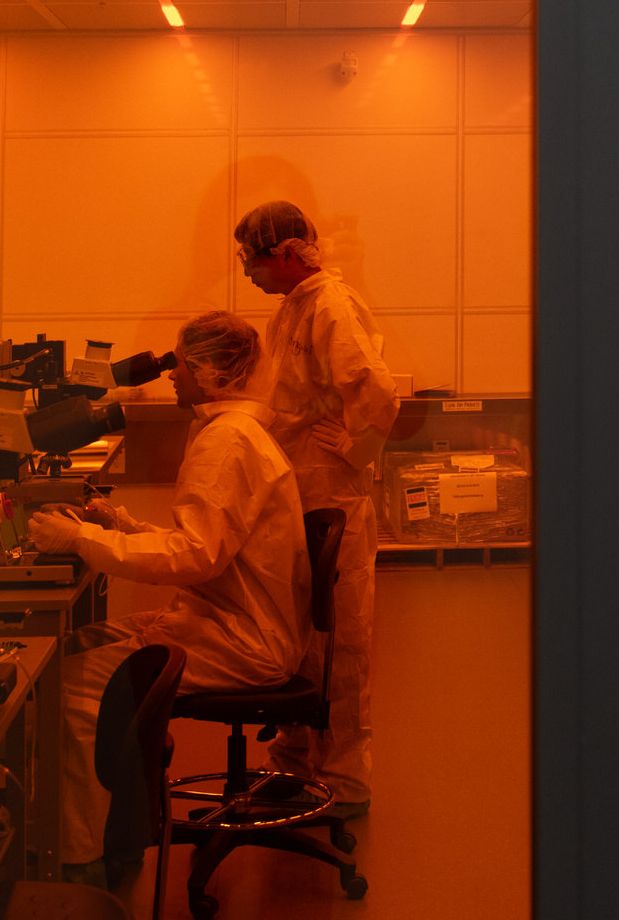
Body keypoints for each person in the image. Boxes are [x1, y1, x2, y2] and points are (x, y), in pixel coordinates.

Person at [27, 311, 310, 887]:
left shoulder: (227, 442)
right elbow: (209, 544)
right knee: (73, 647)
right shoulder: (232, 431)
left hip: (241, 637)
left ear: (206, 369)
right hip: (230, 616)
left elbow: (195, 557)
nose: (170, 374)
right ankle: (117, 816)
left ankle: (84, 863)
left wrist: (80, 537)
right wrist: (119, 524)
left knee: (67, 692)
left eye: (178, 362)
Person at [235, 200, 400, 817]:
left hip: (332, 499)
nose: (247, 272)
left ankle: (346, 782)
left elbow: (377, 391)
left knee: (342, 640)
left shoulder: (330, 305)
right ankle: (296, 760)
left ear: (284, 255)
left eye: (251, 259)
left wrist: (356, 448)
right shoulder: (293, 310)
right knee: (300, 635)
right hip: (300, 496)